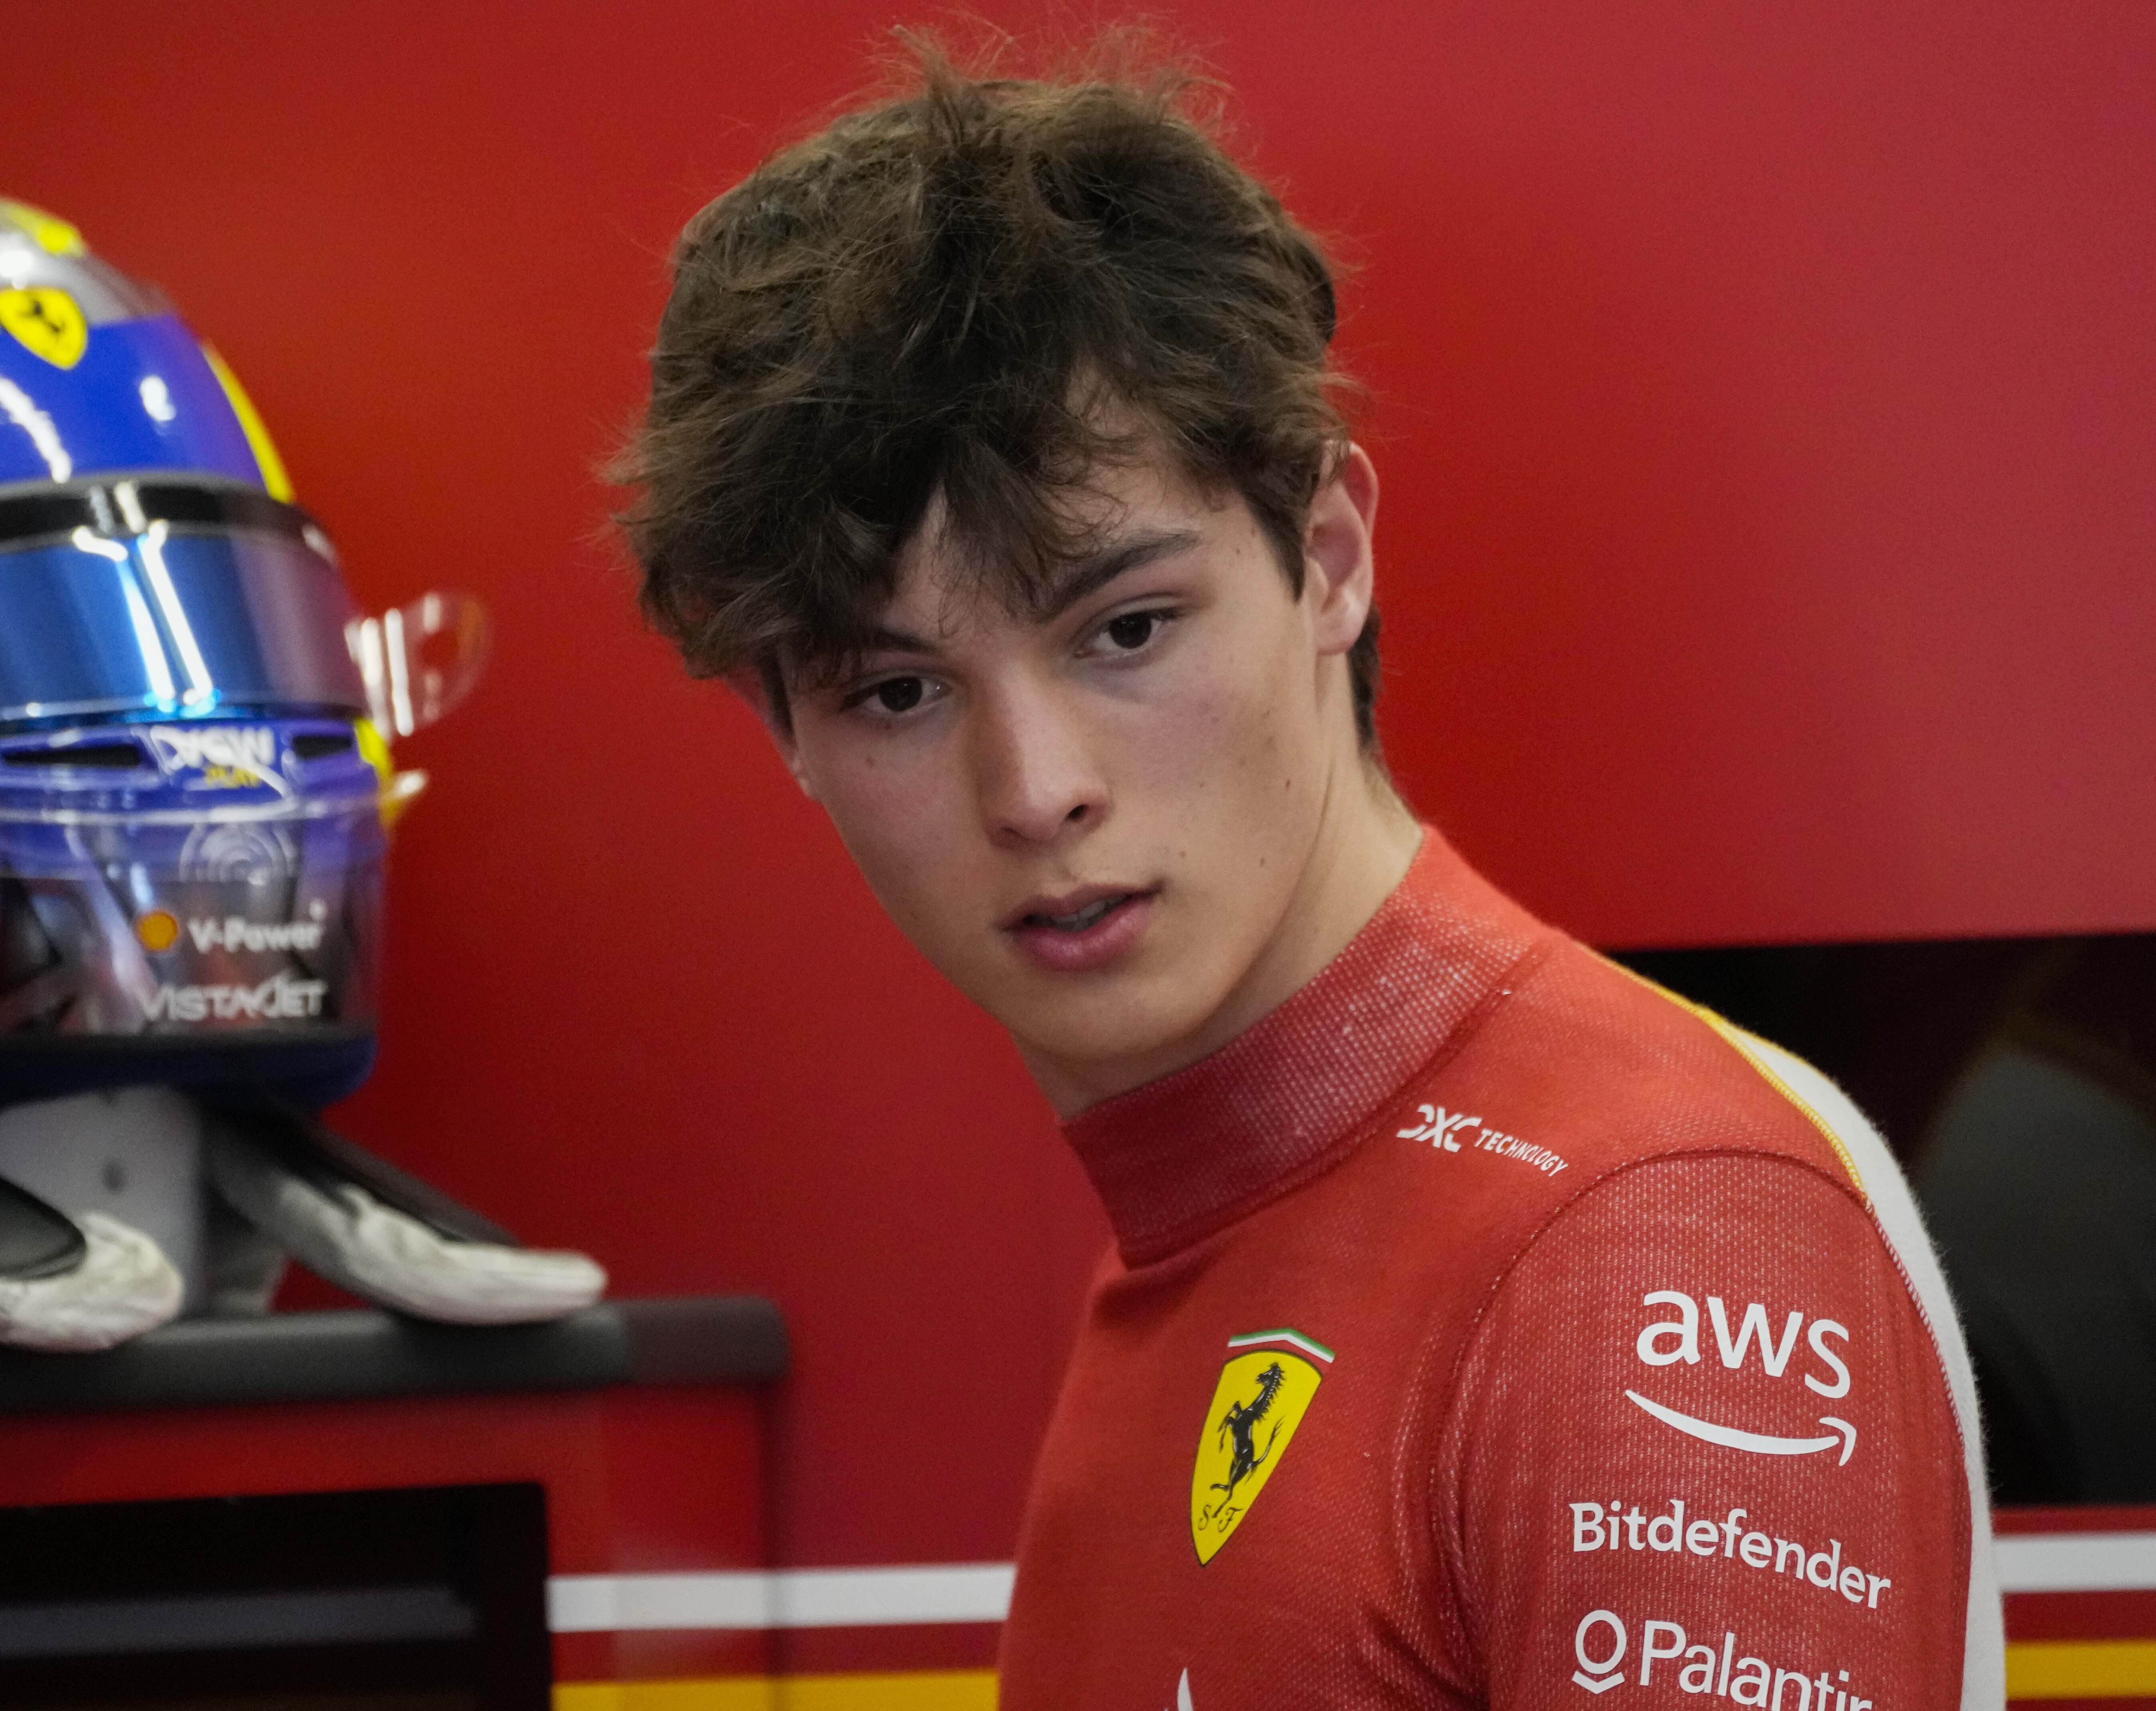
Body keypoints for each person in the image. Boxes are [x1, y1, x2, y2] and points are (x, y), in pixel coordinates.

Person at [615, 37, 2002, 1708]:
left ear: (1326, 556)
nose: (1037, 788)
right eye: (898, 689)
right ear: (784, 726)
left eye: (1128, 628)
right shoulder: (1219, 1197)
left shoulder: (1643, 1229)